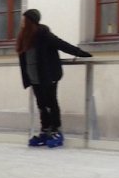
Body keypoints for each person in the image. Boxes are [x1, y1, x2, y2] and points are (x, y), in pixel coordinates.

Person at [16, 8, 91, 147]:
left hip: (47, 75)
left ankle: (56, 131)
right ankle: (45, 130)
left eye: (24, 19)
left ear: (30, 21)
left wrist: (79, 53)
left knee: (51, 103)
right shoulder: (23, 37)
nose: (21, 22)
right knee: (41, 105)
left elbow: (61, 44)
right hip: (34, 77)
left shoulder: (43, 34)